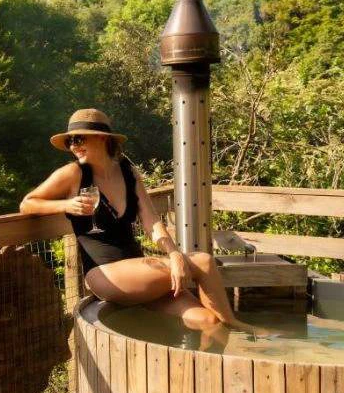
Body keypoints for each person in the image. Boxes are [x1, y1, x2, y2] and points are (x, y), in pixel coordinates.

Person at [19, 108, 254, 335]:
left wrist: (174, 254)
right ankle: (238, 328)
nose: (73, 146)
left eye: (78, 139)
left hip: (139, 270)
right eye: (70, 141)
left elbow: (151, 221)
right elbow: (27, 203)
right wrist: (65, 205)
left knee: (208, 320)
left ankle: (225, 343)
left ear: (102, 138)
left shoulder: (128, 172)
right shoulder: (73, 173)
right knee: (203, 261)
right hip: (105, 275)